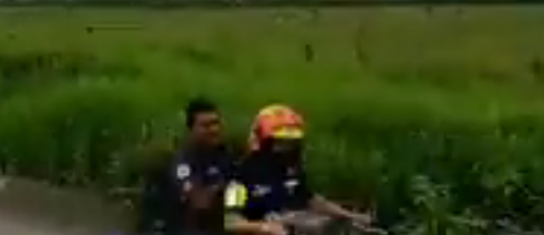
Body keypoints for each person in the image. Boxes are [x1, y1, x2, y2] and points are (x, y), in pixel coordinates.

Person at [223, 104, 373, 235]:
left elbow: (310, 199)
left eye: (291, 143)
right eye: (280, 143)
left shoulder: (291, 170)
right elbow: (229, 221)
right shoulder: (239, 175)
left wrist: (349, 215)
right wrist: (262, 228)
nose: (286, 149)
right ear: (263, 142)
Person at [145, 97, 235, 235]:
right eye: (206, 126)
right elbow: (200, 202)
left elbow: (241, 190)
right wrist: (225, 187)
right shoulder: (183, 162)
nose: (214, 129)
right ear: (191, 129)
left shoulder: (225, 154)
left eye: (216, 123)